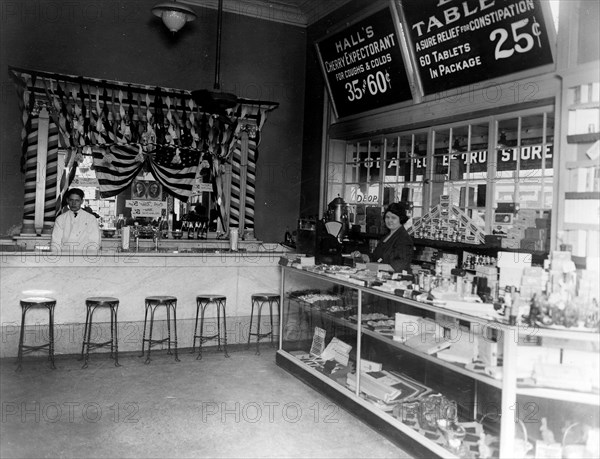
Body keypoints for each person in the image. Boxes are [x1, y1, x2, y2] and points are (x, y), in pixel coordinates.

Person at [352, 202, 414, 273]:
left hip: (397, 281)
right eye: (387, 217)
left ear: (401, 219)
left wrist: (367, 266)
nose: (389, 220)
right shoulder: (386, 237)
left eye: (393, 218)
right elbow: (377, 258)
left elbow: (397, 267)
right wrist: (362, 256)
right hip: (382, 276)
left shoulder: (404, 239)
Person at [51, 188, 101, 253]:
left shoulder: (90, 218)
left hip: (85, 257)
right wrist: (57, 258)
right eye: (71, 200)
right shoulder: (60, 219)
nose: (73, 203)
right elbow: (55, 241)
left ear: (81, 201)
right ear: (67, 200)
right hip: (64, 257)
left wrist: (90, 257)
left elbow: (95, 241)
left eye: (77, 200)